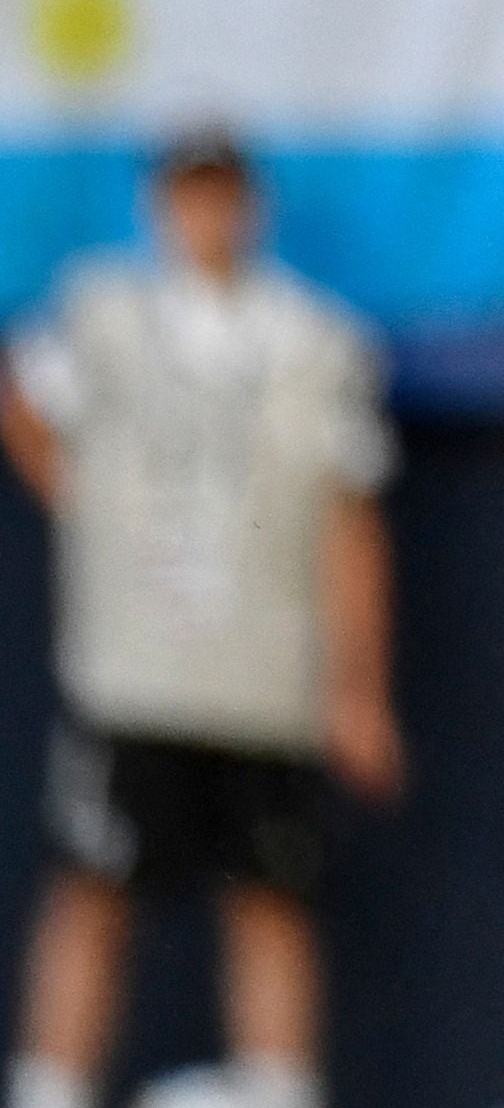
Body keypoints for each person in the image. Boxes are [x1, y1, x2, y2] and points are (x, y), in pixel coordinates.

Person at [2, 136, 402, 1108]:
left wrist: (358, 688)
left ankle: (275, 1086)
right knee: (92, 887)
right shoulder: (104, 315)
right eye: (188, 195)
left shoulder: (314, 339)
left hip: (263, 680)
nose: (206, 218)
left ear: (251, 206)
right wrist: (88, 504)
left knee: (271, 896)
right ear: (158, 205)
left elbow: (351, 520)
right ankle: (49, 1086)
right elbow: (22, 399)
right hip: (136, 673)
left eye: (222, 195)